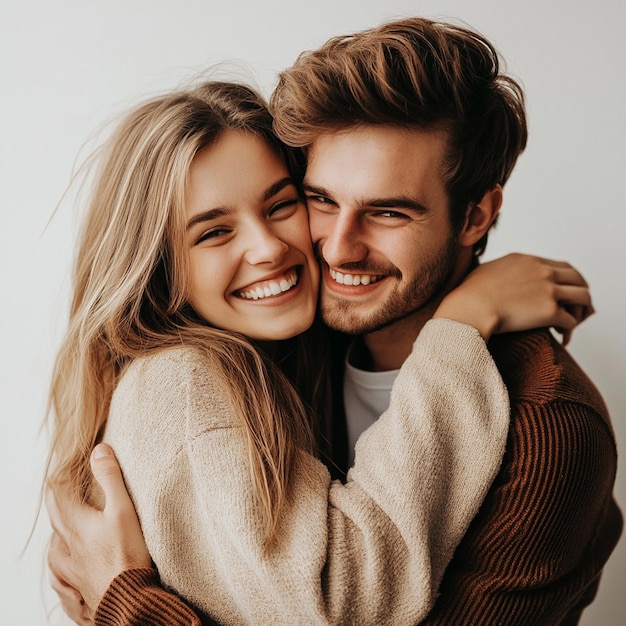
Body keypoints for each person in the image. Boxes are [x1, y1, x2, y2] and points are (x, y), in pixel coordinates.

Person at [48, 16, 621, 626]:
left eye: (387, 212)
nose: (338, 248)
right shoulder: (265, 355)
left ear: (476, 216)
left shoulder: (549, 427)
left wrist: (127, 603)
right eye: (320, 200)